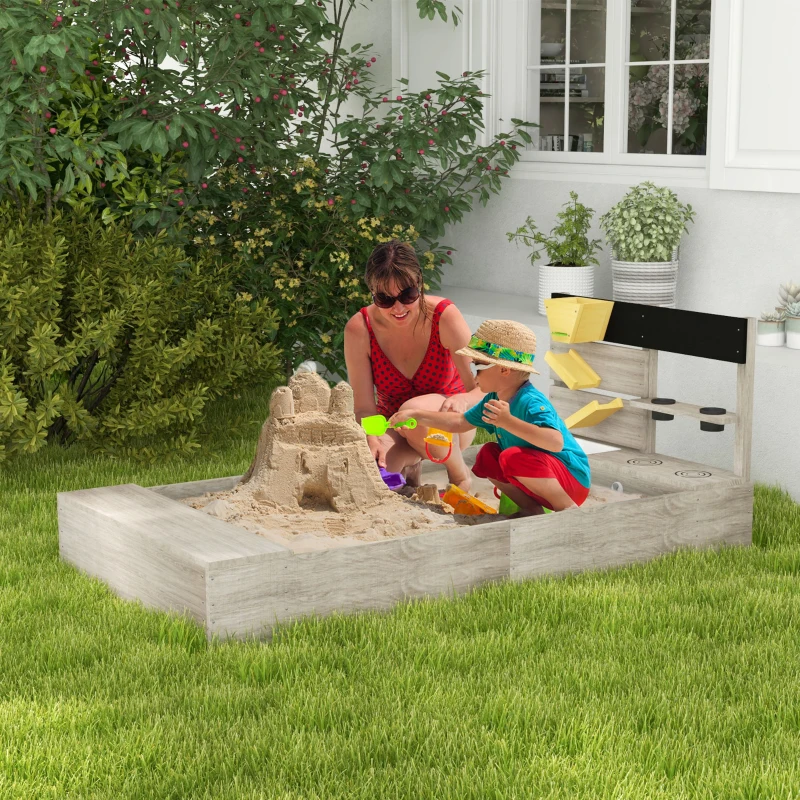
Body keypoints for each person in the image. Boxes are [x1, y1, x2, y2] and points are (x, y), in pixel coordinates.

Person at [388, 319, 590, 514]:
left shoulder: (531, 401)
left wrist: (508, 421)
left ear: (504, 369)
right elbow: (460, 422)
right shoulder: (493, 398)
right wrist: (417, 415)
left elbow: (555, 442)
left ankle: (567, 509)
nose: (475, 378)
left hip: (570, 480)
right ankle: (530, 509)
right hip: (542, 477)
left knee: (511, 457)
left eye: (478, 367)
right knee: (488, 456)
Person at [344, 240, 484, 490]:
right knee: (373, 474)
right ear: (372, 293)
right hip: (395, 424)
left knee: (415, 412)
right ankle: (410, 463)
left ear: (419, 283)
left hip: (450, 426)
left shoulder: (444, 316)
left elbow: (482, 388)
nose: (398, 308)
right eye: (384, 299)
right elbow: (364, 408)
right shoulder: (360, 328)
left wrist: (463, 400)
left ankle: (459, 476)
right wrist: (373, 436)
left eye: (407, 295)